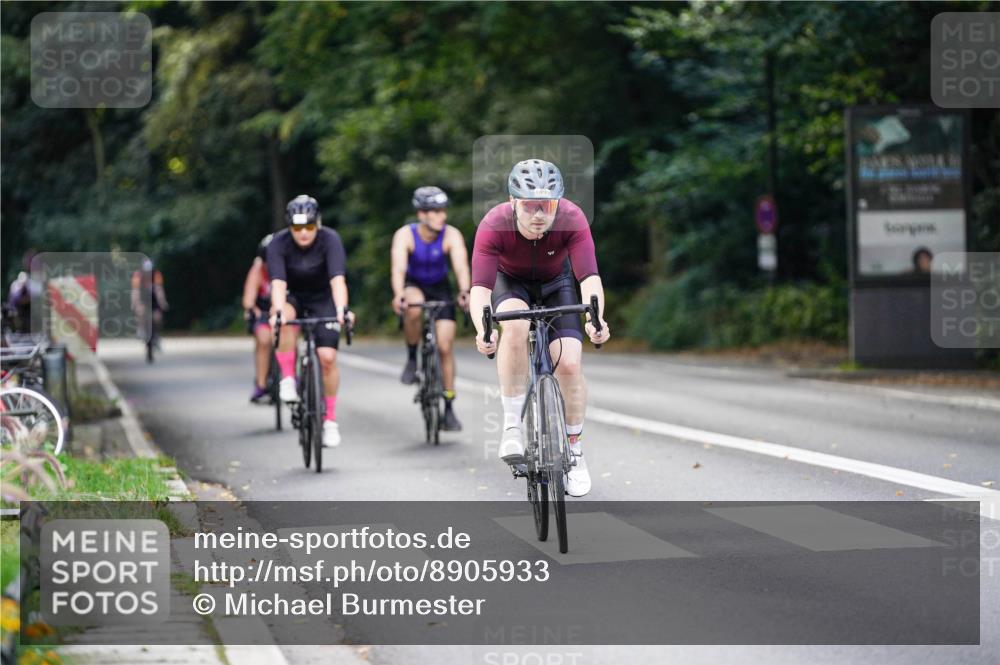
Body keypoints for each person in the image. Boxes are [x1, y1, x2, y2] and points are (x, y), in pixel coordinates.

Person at [470, 159, 610, 497]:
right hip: (511, 284)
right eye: (529, 205)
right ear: (512, 201)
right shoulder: (494, 223)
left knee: (571, 364)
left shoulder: (572, 218)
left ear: (558, 203)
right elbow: (480, 289)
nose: (538, 215)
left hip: (555, 283)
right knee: (514, 327)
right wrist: (484, 329)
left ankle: (574, 452)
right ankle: (512, 426)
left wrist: (596, 319)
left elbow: (589, 278)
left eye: (546, 206)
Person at [267, 195, 354, 448]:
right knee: (284, 319)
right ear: (289, 227)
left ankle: (329, 420)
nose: (303, 233)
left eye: (309, 227)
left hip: (323, 298)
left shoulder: (330, 239)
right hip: (293, 297)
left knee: (327, 358)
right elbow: (278, 284)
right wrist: (278, 311)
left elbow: (338, 279)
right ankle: (287, 379)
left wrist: (341, 309)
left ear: (318, 224)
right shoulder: (278, 244)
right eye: (297, 228)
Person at [390, 186, 471, 431]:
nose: (442, 216)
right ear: (422, 214)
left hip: (441, 288)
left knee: (445, 347)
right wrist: (398, 294)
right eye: (435, 211)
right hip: (415, 286)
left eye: (443, 210)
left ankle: (448, 406)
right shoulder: (405, 235)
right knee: (413, 308)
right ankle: (412, 357)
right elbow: (398, 269)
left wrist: (465, 291)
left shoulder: (451, 235)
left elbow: (460, 266)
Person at [242, 233, 275, 403]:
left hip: (283, 313)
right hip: (262, 314)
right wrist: (252, 309)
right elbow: (248, 299)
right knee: (264, 340)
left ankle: (292, 377)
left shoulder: (290, 268)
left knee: (289, 333)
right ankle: (261, 384)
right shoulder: (258, 270)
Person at [131, 258, 168, 346]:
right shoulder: (137, 275)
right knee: (140, 311)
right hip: (143, 298)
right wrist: (135, 303)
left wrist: (162, 302)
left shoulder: (156, 275)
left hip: (153, 298)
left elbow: (159, 290)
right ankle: (141, 328)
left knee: (157, 317)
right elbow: (135, 291)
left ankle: (157, 335)